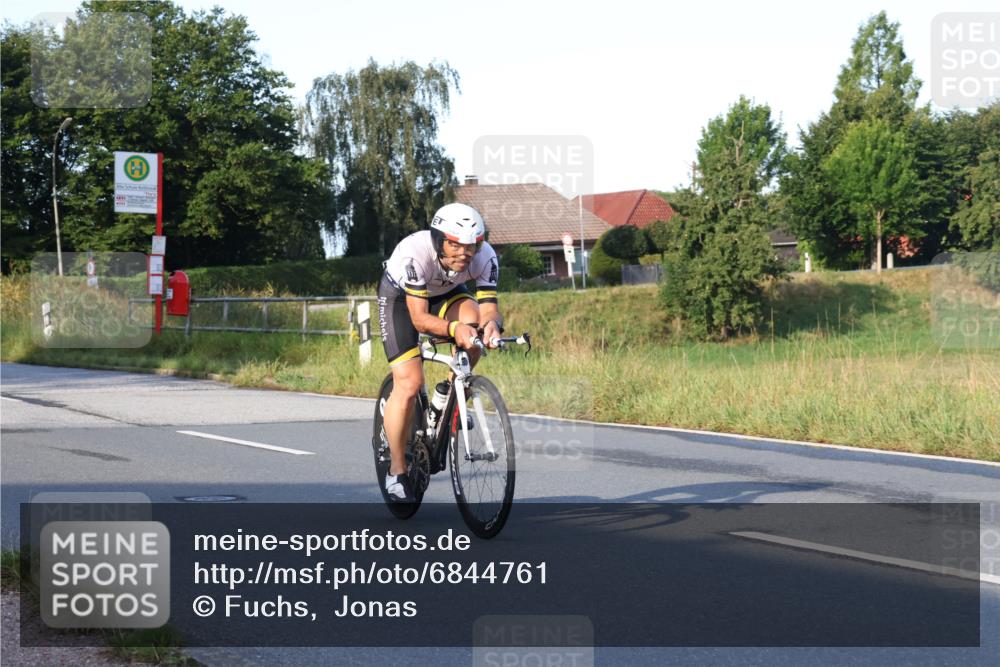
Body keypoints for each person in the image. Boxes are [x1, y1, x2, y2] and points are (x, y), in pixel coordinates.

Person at [378, 203, 504, 502]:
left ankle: (447, 397)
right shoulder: (414, 254)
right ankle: (396, 471)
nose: (464, 253)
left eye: (471, 246)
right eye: (455, 245)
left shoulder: (485, 256)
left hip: (447, 294)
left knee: (473, 330)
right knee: (408, 384)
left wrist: (491, 326)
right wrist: (453, 329)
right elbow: (420, 319)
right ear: (438, 239)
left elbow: (489, 306)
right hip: (402, 299)